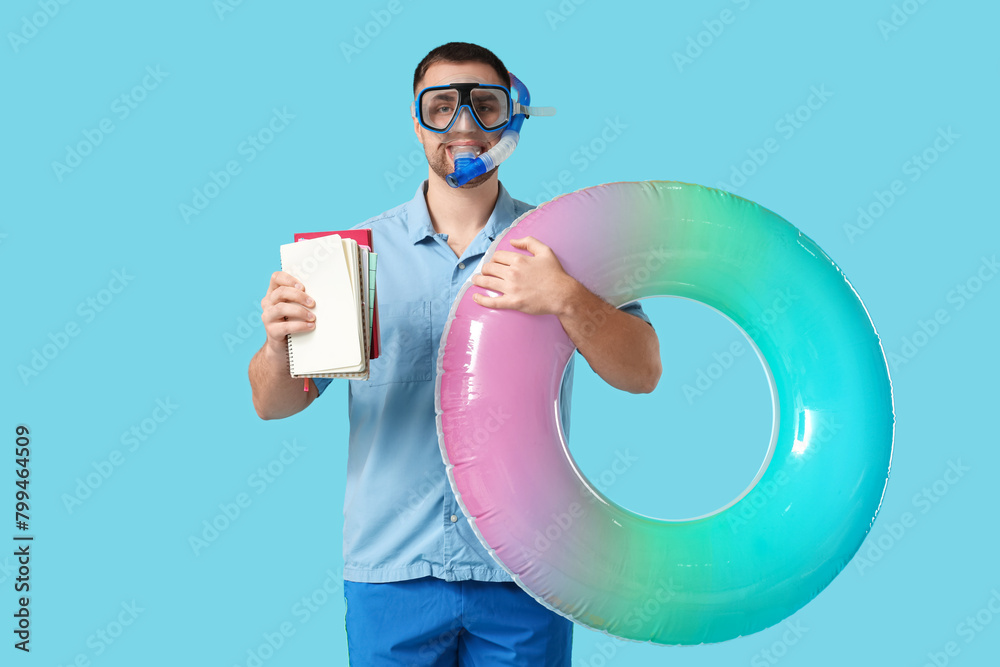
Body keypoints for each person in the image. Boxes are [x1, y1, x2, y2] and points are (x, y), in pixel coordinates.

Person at [248, 42, 661, 666]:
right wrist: (282, 342)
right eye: (441, 107)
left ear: (512, 122)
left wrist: (568, 298)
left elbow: (642, 372)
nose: (464, 125)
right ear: (418, 126)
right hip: (392, 574)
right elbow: (272, 404)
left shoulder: (563, 247)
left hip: (527, 570)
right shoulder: (351, 258)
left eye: (484, 105)